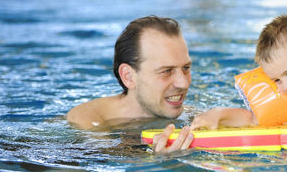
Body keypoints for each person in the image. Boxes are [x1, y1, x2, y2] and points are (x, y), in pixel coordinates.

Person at [67, 15, 195, 153]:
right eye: (167, 71)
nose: (183, 83)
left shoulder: (191, 116)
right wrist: (158, 162)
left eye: (186, 68)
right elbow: (110, 165)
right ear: (128, 77)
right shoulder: (87, 121)